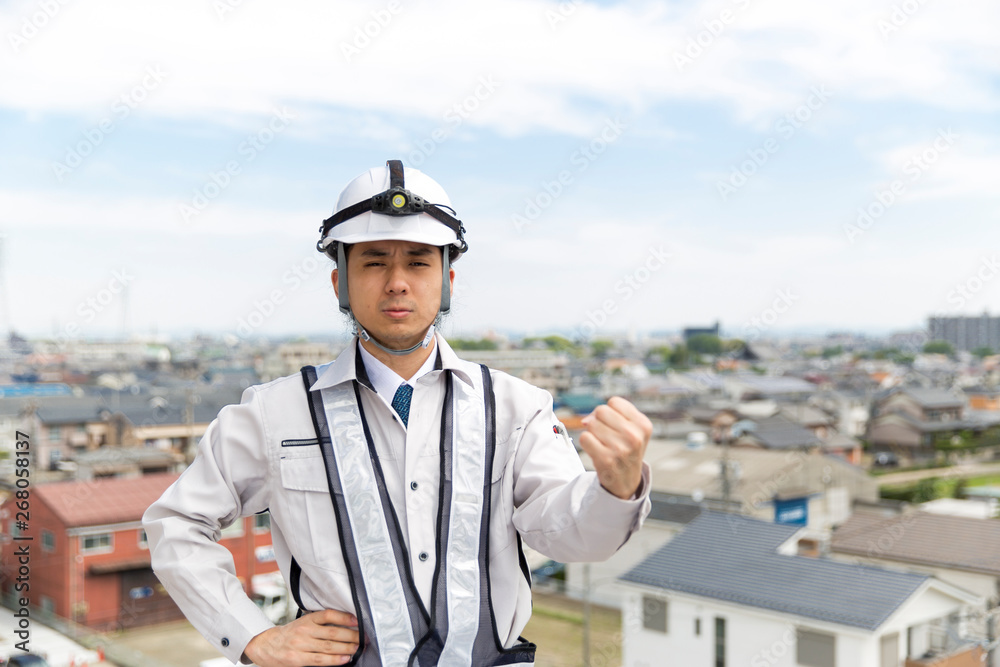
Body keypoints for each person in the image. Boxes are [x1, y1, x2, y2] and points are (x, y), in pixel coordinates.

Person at [143, 159, 653, 666]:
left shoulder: (517, 408)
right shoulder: (273, 414)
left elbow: (572, 537)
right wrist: (252, 637)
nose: (397, 282)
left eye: (417, 261)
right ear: (338, 281)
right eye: (373, 261)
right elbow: (175, 523)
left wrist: (616, 488)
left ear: (447, 278)